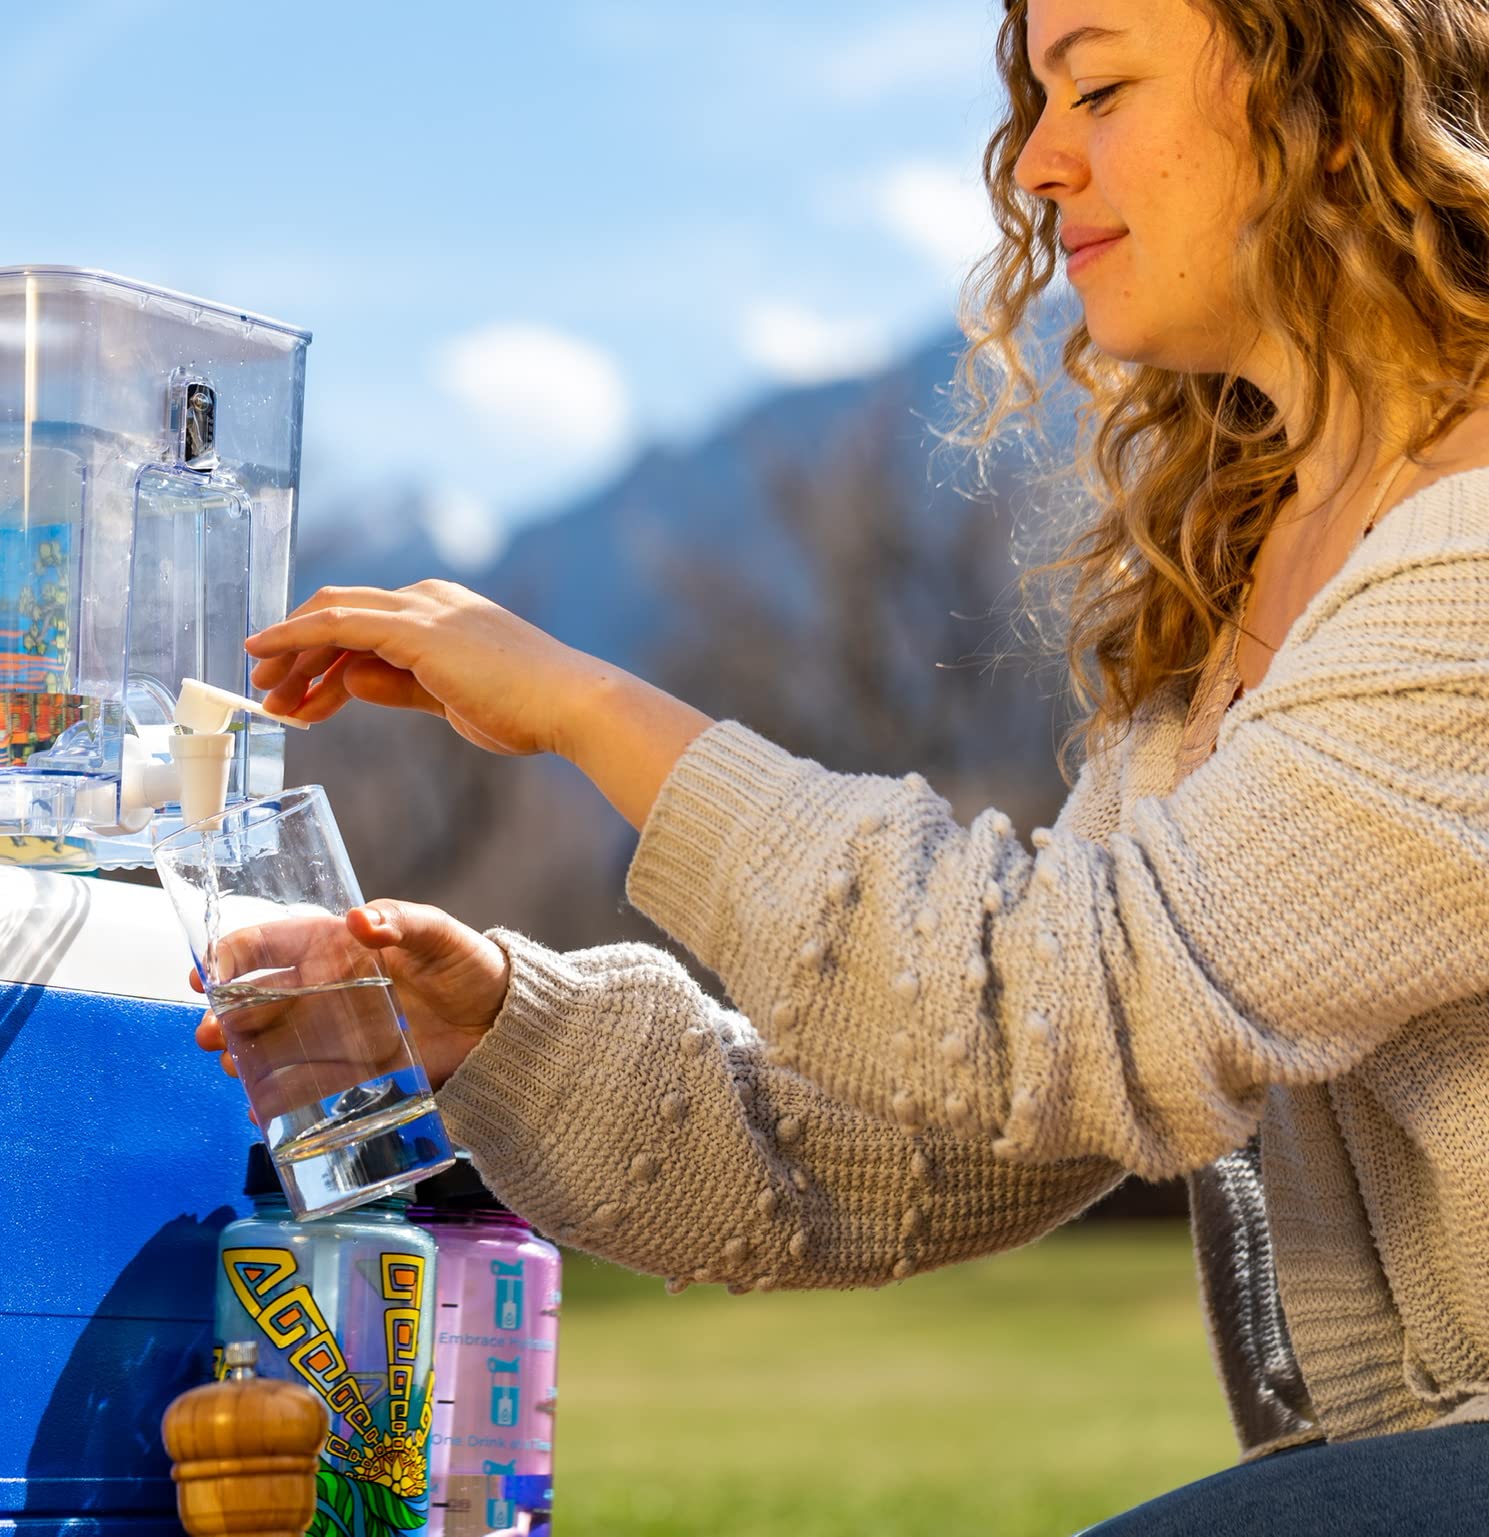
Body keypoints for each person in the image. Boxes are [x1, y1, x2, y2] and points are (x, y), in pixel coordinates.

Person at [201, 0, 1489, 1530]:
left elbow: (1092, 999)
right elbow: (930, 1128)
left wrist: (590, 709)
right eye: (1035, 101)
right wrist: (487, 1023)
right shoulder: (1235, 619)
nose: (1037, 164)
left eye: (1097, 87)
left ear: (1332, 97)